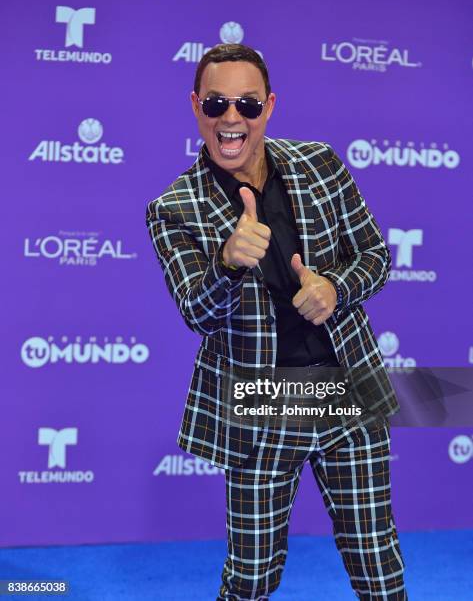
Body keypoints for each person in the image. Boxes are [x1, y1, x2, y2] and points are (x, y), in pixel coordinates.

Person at [146, 43, 407, 600]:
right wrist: (227, 263)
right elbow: (198, 311)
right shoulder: (173, 208)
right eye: (217, 104)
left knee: (378, 563)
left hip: (345, 387)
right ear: (196, 106)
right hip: (260, 400)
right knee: (251, 576)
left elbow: (376, 256)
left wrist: (336, 289)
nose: (232, 117)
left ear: (270, 105)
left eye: (247, 103)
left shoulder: (321, 164)